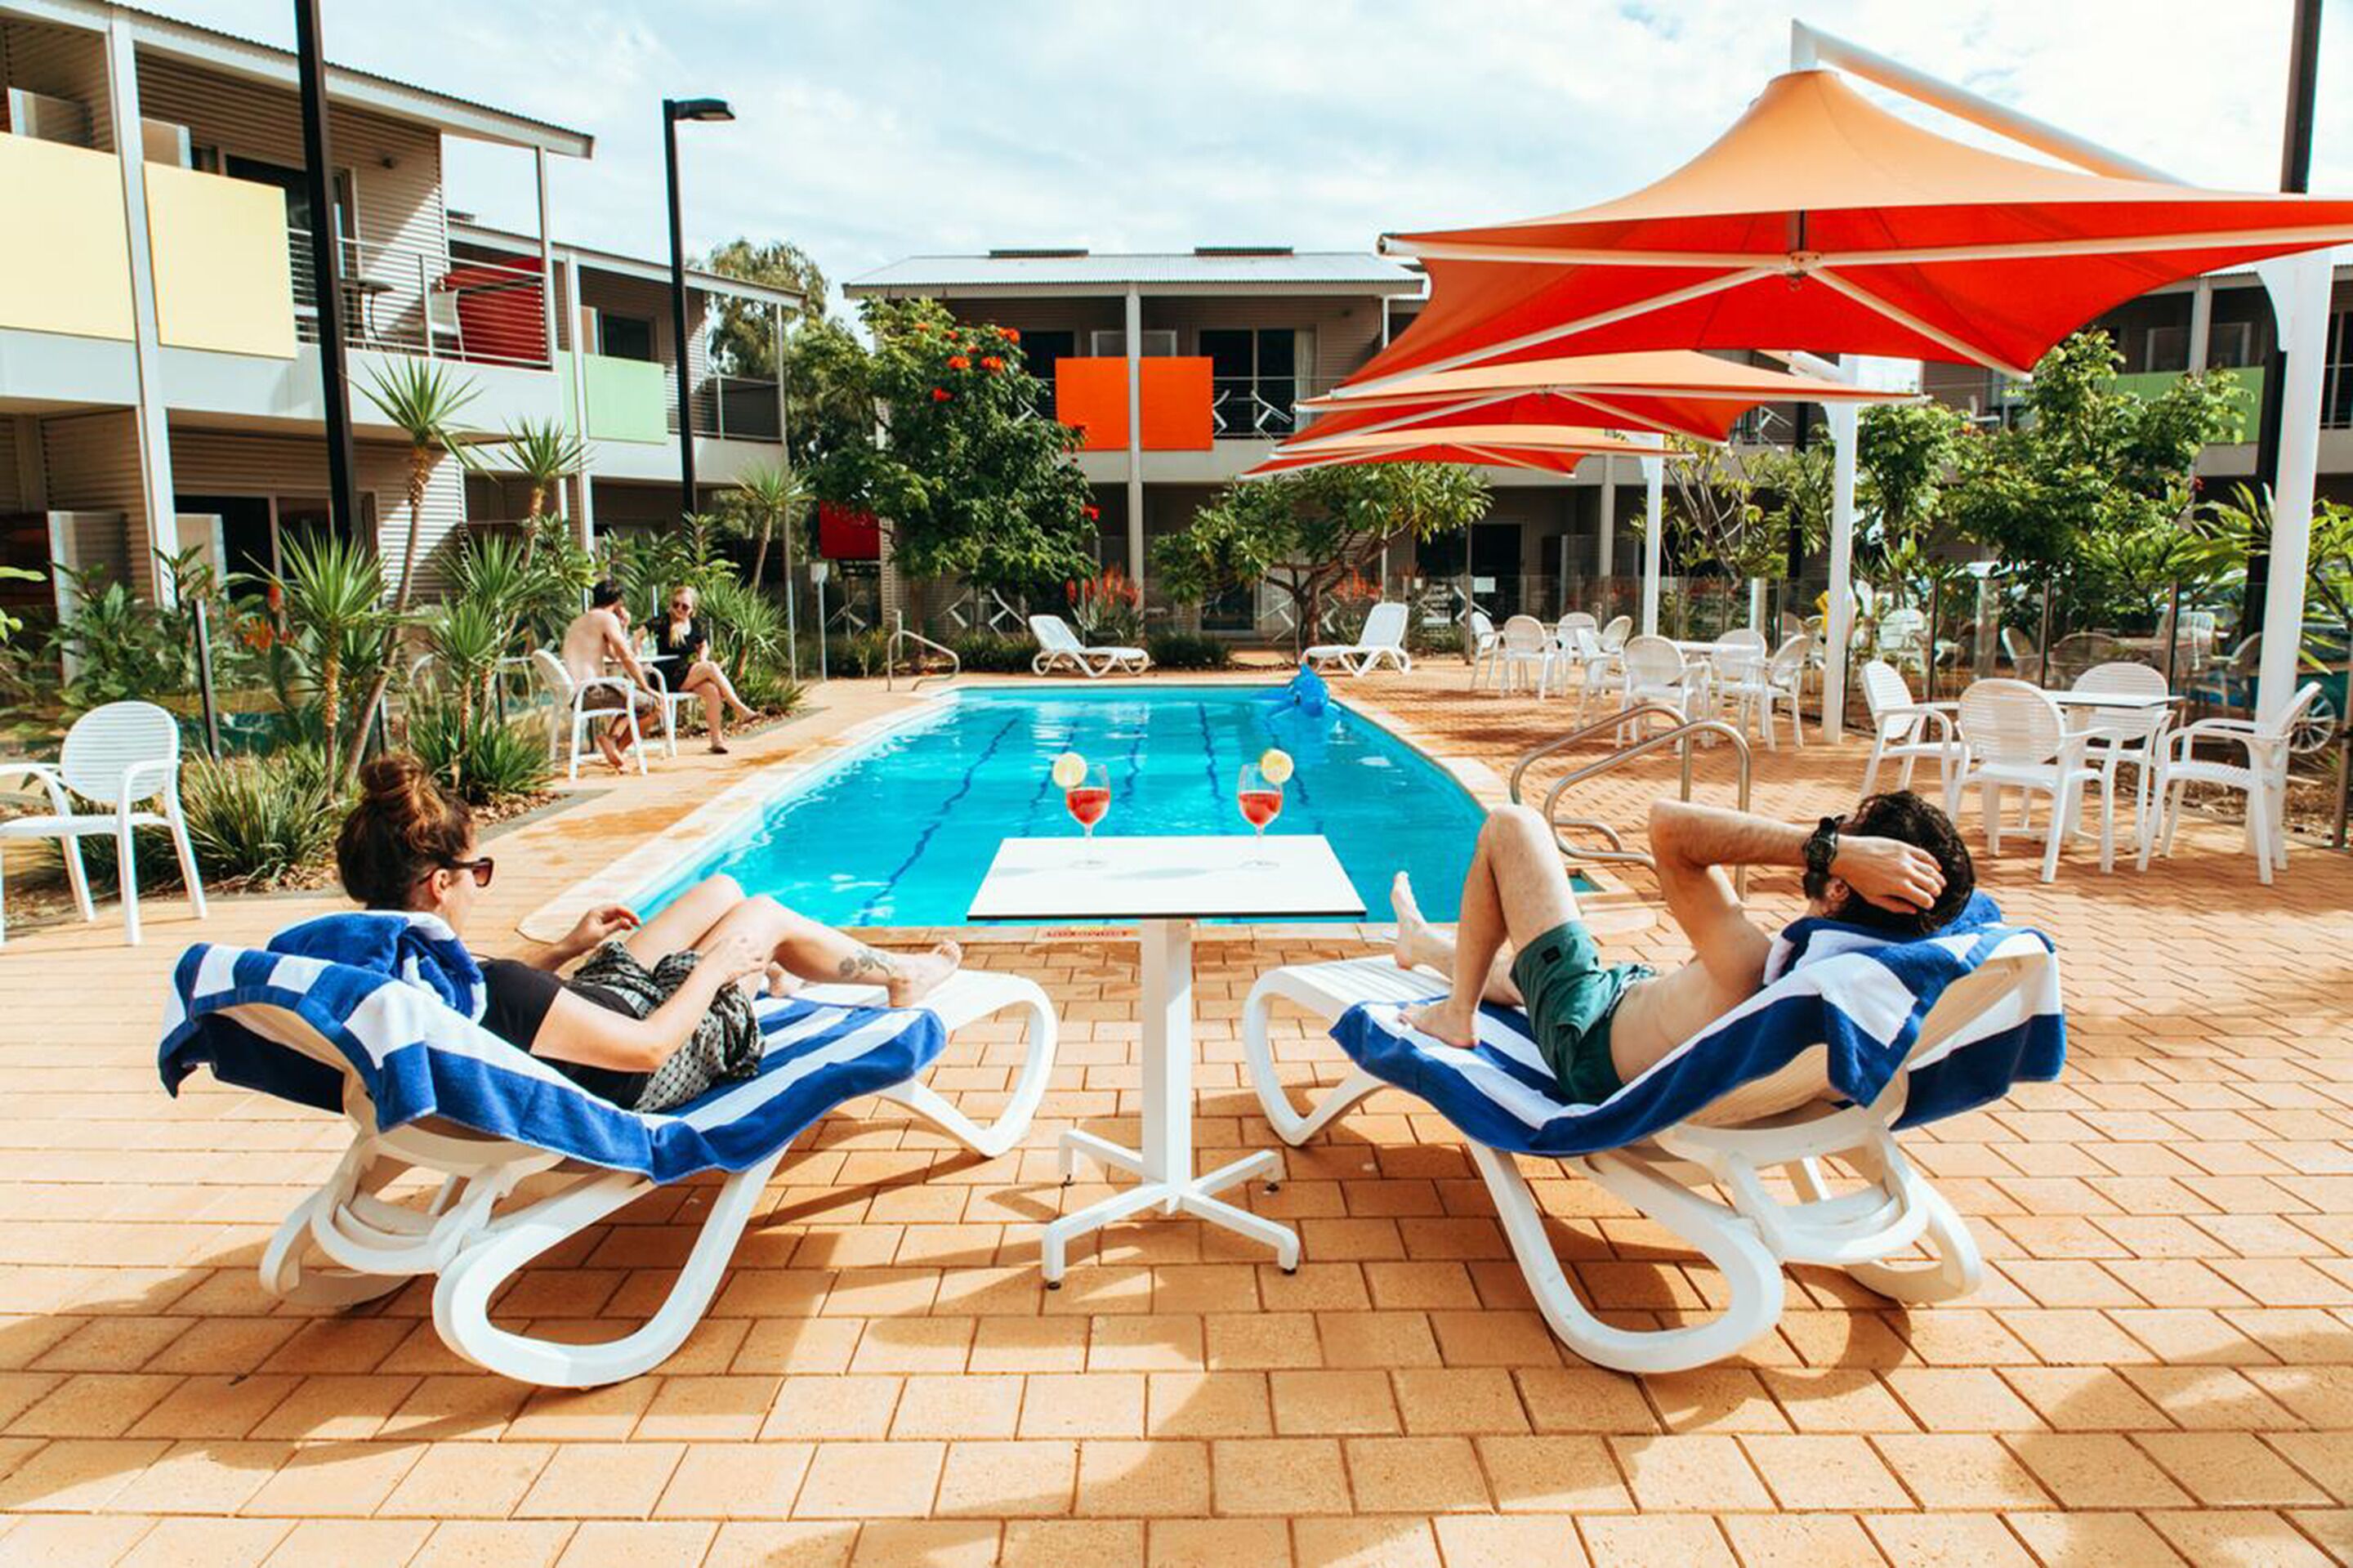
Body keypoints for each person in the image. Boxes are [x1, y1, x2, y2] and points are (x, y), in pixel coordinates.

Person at [336, 755, 962, 1109]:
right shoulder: (493, 986)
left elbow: (494, 1002)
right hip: (640, 1061)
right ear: (440, 883)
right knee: (762, 913)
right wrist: (715, 971)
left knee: (721, 891)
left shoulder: (385, 965)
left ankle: (776, 968)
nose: (480, 882)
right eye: (479, 870)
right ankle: (900, 973)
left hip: (596, 1009)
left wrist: (563, 949)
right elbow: (649, 1048)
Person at [1392, 792, 1974, 1106]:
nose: (1835, 832)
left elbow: (1668, 826)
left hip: (1589, 1037)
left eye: (1845, 829)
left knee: (1510, 824)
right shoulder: (1870, 979)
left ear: (1846, 880)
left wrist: (1827, 847)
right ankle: (1422, 943)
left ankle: (1456, 1015)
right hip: (1623, 1004)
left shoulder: (1746, 965)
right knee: (1531, 975)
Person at [560, 581, 663, 773]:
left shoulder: (580, 621)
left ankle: (612, 743)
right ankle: (616, 750)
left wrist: (623, 626)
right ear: (617, 602)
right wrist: (646, 687)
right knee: (654, 706)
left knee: (634, 702)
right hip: (592, 691)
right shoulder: (607, 619)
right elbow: (625, 656)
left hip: (577, 693)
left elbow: (613, 655)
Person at [654, 583, 757, 754]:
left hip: (685, 673)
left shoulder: (693, 625)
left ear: (692, 609)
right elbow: (639, 634)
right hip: (667, 675)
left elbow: (703, 644)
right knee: (711, 667)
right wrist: (634, 649)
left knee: (712, 690)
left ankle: (717, 741)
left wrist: (702, 657)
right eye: (676, 604)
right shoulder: (663, 621)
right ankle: (739, 708)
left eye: (685, 606)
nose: (679, 609)